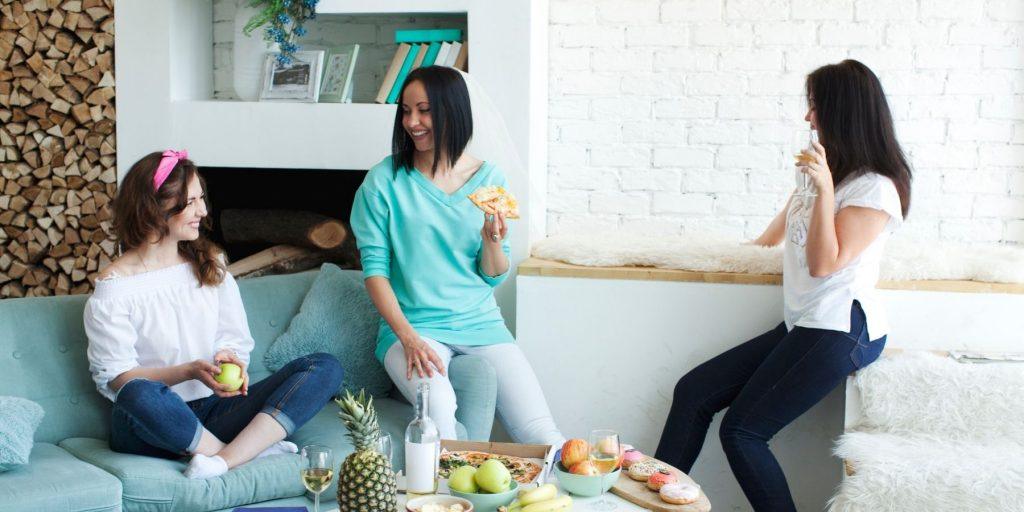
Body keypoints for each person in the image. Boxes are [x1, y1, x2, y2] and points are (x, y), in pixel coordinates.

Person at [654, 60, 913, 511]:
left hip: (842, 327)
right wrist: (741, 253)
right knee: (694, 392)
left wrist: (826, 188)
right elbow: (780, 228)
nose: (807, 118)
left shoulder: (873, 188)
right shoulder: (827, 170)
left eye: (815, 106)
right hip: (805, 322)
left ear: (843, 112)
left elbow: (822, 263)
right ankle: (651, 502)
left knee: (743, 432)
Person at [84, 150, 344, 479]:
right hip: (147, 424)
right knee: (136, 390)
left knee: (324, 366)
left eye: (201, 198)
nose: (203, 211)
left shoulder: (210, 263)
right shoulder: (114, 290)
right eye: (190, 202)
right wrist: (188, 371)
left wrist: (228, 357)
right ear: (156, 207)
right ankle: (245, 452)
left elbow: (233, 337)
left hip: (213, 410)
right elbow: (118, 379)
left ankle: (220, 460)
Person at [350, 66, 564, 446]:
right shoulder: (383, 181)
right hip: (415, 327)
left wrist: (492, 240)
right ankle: (447, 504)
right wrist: (408, 338)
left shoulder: (490, 179)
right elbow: (375, 273)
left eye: (424, 110)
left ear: (453, 111)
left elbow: (494, 274)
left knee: (541, 431)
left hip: (481, 322)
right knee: (440, 411)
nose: (412, 122)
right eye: (406, 110)